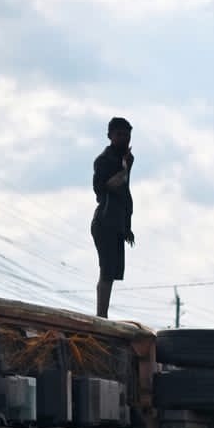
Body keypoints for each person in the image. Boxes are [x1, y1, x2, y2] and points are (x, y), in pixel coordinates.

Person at [91, 116, 135, 318]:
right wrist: (125, 169)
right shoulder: (104, 160)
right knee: (107, 270)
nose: (124, 139)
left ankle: (103, 315)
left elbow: (125, 193)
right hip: (104, 221)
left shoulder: (123, 159)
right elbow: (103, 188)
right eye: (120, 134)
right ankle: (102, 316)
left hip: (117, 223)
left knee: (112, 272)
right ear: (110, 135)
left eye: (127, 135)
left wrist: (127, 226)